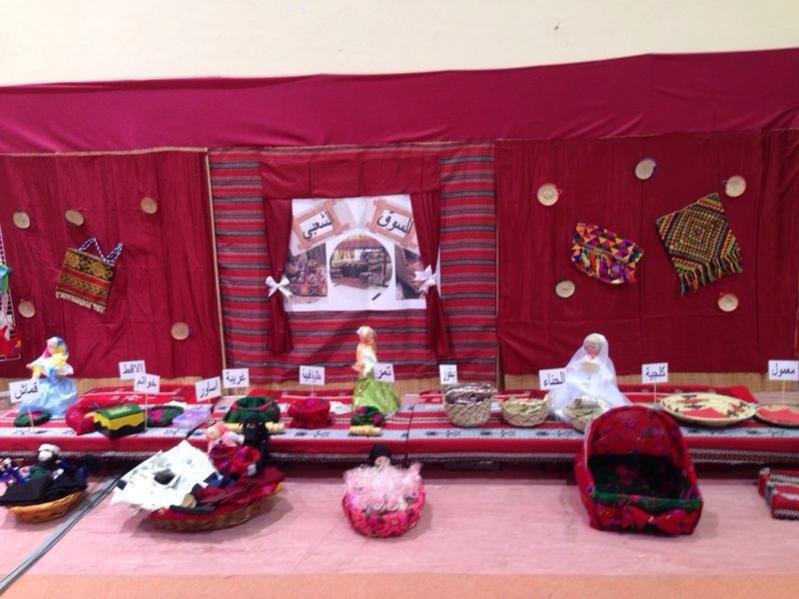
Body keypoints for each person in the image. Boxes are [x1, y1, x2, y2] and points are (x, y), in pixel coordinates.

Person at [549, 333, 630, 420]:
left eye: (592, 347)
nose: (590, 349)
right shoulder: (584, 358)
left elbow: (605, 372)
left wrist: (605, 377)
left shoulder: (600, 361)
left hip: (595, 380)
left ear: (598, 349)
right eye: (588, 347)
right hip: (581, 378)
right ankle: (567, 409)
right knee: (570, 384)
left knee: (593, 392)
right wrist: (571, 368)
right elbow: (576, 366)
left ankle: (590, 412)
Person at [20, 337, 77, 417]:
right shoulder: (47, 360)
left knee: (51, 395)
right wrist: (32, 365)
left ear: (58, 348)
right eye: (48, 346)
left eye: (52, 347)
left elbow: (64, 371)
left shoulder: (61, 362)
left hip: (59, 385)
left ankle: (53, 410)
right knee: (39, 390)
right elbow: (39, 362)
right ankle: (35, 410)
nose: (49, 348)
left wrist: (53, 372)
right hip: (49, 382)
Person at [351, 326, 399, 414]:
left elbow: (373, 359)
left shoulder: (370, 346)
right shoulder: (360, 346)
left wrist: (371, 368)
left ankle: (380, 406)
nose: (359, 337)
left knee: (378, 387)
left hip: (372, 371)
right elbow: (360, 359)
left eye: (361, 335)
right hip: (365, 371)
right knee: (365, 388)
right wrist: (362, 368)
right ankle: (365, 406)